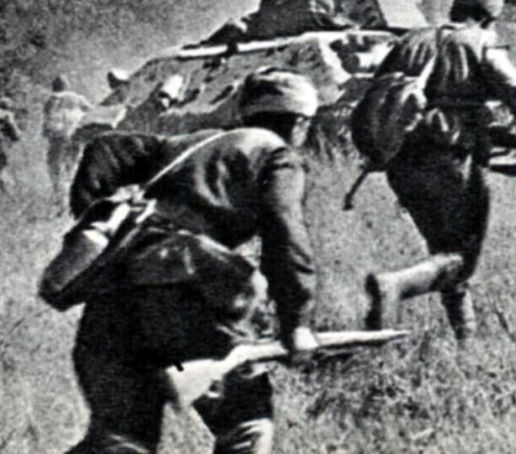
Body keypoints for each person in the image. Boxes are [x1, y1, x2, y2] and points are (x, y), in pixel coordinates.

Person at [54, 69, 321, 454]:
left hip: (114, 294)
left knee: (121, 440)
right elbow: (285, 232)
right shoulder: (275, 154)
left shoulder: (191, 141)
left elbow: (105, 148)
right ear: (299, 123)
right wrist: (297, 322)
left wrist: (92, 211)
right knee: (246, 425)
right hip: (189, 295)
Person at [362, 0, 516, 339]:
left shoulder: (411, 40)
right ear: (490, 17)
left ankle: (465, 341)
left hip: (399, 159)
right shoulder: (480, 41)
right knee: (460, 256)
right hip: (451, 159)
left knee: (444, 251)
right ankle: (396, 285)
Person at [42, 75, 94, 199]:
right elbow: (91, 111)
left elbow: (47, 118)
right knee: (73, 162)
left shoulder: (51, 100)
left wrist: (46, 132)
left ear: (53, 87)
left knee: (54, 163)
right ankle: (73, 188)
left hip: (58, 136)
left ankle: (58, 191)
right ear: (67, 86)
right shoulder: (78, 98)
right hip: (76, 134)